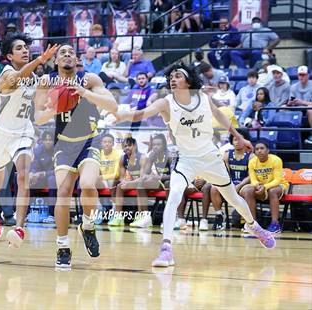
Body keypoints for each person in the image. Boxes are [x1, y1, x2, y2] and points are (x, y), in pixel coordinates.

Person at [114, 63, 276, 267]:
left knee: (233, 197)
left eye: (178, 76)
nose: (173, 79)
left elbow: (220, 116)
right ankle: (166, 249)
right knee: (174, 195)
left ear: (189, 80)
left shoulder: (203, 98)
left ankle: (254, 227)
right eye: (171, 76)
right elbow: (141, 114)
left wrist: (239, 137)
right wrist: (121, 114)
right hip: (186, 159)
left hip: (210, 157)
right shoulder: (166, 102)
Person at [34, 44, 117, 268]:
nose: (67, 55)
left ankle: (88, 226)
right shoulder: (47, 82)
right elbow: (38, 117)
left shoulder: (89, 79)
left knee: (89, 185)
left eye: (71, 52)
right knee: (63, 193)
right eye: (62, 53)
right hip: (64, 144)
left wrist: (85, 93)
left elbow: (113, 105)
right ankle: (62, 246)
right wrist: (55, 108)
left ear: (77, 60)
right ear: (56, 61)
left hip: (89, 140)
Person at [0, 34, 58, 246]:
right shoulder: (5, 75)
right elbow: (16, 80)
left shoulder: (35, 78)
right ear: (9, 55)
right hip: (0, 135)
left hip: (23, 133)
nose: (25, 50)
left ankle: (19, 226)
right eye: (19, 48)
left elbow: (38, 112)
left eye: (26, 47)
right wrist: (40, 60)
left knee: (23, 175)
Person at [240, 141, 289, 233]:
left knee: (272, 191)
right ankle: (253, 224)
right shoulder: (252, 162)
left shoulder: (276, 160)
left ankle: (275, 223)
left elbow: (277, 180)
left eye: (262, 148)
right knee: (248, 190)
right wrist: (257, 186)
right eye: (257, 149)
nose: (259, 151)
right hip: (261, 186)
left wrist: (265, 187)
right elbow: (253, 179)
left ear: (268, 150)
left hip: (278, 186)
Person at [209, 131, 252, 231]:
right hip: (230, 182)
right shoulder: (227, 154)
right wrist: (230, 185)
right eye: (235, 139)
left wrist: (239, 185)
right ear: (232, 141)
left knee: (246, 191)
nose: (237, 142)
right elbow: (225, 173)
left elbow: (251, 176)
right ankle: (219, 216)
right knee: (214, 188)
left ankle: (248, 222)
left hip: (244, 184)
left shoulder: (251, 156)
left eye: (240, 139)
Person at [108, 137, 148, 227]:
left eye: (129, 145)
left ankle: (141, 216)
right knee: (119, 186)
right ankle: (118, 217)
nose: (126, 148)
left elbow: (143, 178)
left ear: (135, 146)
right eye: (125, 146)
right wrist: (125, 182)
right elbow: (122, 178)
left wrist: (129, 183)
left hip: (145, 182)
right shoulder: (123, 158)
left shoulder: (142, 157)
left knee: (139, 185)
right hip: (133, 182)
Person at [29, 130, 56, 223]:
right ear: (42, 141)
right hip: (41, 178)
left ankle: (52, 215)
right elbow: (34, 165)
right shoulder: (38, 150)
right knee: (26, 179)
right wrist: (32, 173)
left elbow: (58, 170)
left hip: (53, 177)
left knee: (52, 179)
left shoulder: (57, 150)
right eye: (46, 139)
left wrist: (44, 173)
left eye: (50, 140)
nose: (48, 142)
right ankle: (26, 212)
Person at [287, 66, 312, 144]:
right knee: (282, 108)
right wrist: (290, 103)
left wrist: (302, 102)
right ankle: (286, 137)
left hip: (308, 109)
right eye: (300, 75)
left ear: (308, 75)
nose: (301, 77)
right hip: (297, 109)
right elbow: (289, 101)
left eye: (303, 75)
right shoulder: (293, 87)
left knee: (310, 109)